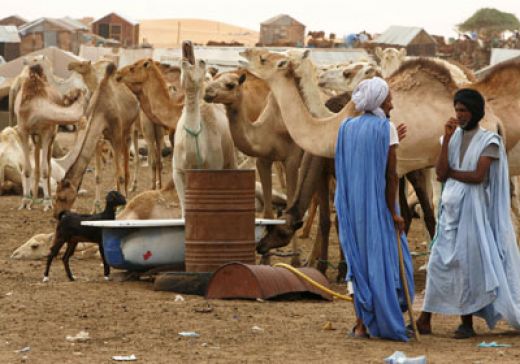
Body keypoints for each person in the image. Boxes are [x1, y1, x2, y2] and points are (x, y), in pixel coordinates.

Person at [415, 88, 520, 339]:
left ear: (475, 112)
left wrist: (451, 173)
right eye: (457, 110)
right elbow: (440, 173)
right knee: (438, 262)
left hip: (474, 213)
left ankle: (467, 324)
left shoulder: (489, 142)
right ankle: (425, 319)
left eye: (463, 110)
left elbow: (476, 176)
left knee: (466, 265)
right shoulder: (450, 139)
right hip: (450, 212)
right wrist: (447, 140)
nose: (459, 115)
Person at [335, 77, 413, 341]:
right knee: (387, 261)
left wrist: (391, 139)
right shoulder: (385, 127)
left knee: (359, 262)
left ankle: (361, 324)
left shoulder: (346, 127)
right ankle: (383, 319)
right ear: (379, 101)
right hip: (377, 208)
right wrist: (392, 212)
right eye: (389, 98)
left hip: (350, 207)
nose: (392, 102)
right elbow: (390, 176)